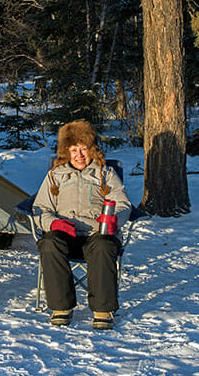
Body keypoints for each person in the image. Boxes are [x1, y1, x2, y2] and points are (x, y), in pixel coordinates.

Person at [32, 119, 131, 329]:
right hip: (65, 233)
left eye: (83, 149)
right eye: (73, 149)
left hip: (97, 233)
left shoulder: (105, 174)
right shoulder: (54, 176)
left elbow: (123, 204)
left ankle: (103, 309)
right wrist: (54, 224)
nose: (79, 155)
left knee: (105, 245)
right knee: (49, 243)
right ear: (66, 151)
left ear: (92, 150)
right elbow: (40, 209)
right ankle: (61, 307)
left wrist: (114, 220)